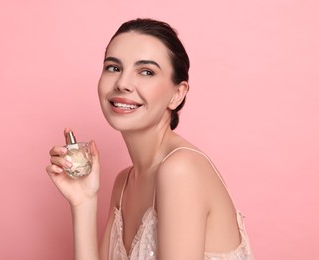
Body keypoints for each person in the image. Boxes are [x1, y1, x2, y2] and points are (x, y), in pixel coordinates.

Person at [46, 18, 254, 260]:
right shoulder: (123, 183)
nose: (123, 83)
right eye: (113, 67)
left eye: (146, 72)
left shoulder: (180, 170)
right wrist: (83, 202)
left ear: (177, 95)